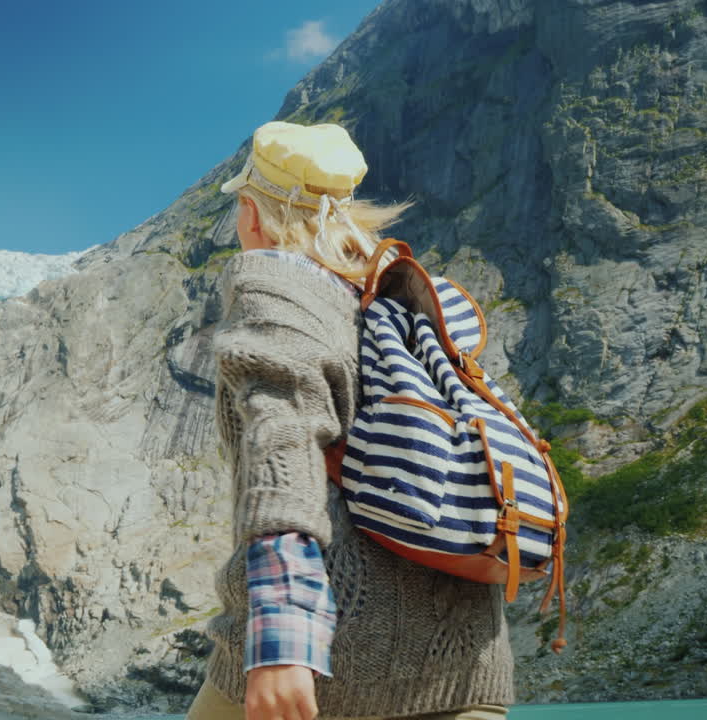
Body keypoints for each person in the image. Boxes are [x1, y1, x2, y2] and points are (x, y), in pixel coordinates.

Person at [185, 121, 514, 720]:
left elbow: (282, 457)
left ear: (253, 214)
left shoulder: (279, 297)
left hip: (329, 665)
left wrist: (282, 640)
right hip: (467, 662)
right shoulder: (399, 304)